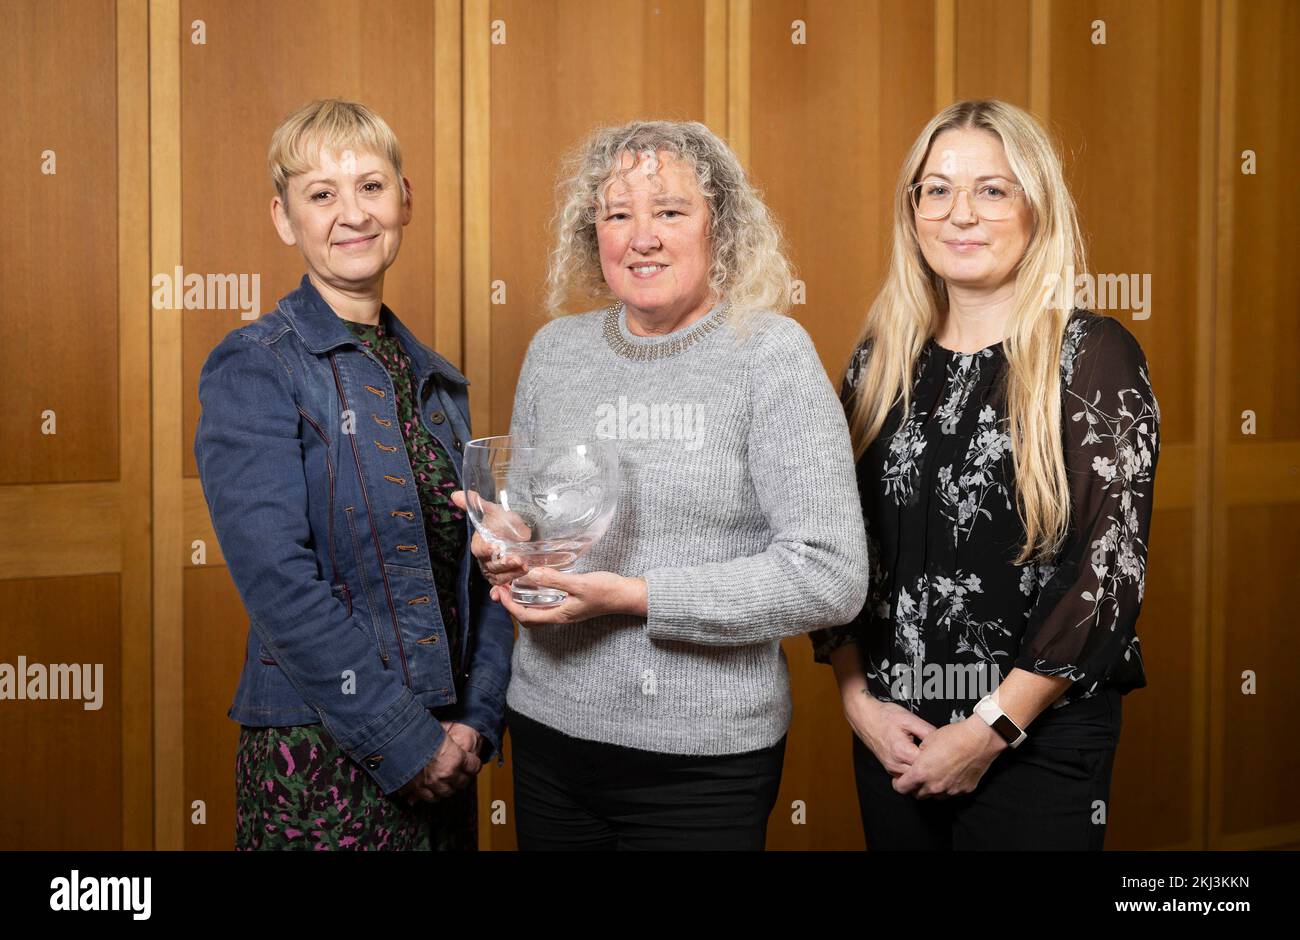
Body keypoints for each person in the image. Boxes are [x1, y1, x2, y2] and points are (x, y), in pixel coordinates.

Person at [453, 119, 868, 850]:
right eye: (618, 214)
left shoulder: (770, 356)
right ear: (596, 235)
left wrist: (636, 597)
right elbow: (537, 524)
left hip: (701, 766)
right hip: (549, 736)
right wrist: (508, 540)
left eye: (670, 211)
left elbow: (829, 575)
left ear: (719, 227)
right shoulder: (556, 352)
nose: (641, 236)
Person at [811, 98, 1160, 850]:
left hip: (1036, 747)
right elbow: (836, 548)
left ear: (1035, 209)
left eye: (992, 189)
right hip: (893, 739)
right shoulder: (877, 365)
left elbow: (1107, 574)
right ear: (912, 213)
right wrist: (859, 704)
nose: (959, 213)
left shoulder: (1092, 357)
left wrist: (990, 728)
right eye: (936, 189)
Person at [195, 98, 513, 850]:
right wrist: (405, 743)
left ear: (405, 200)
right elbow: (278, 582)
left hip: (449, 755)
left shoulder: (437, 379)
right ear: (284, 218)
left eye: (371, 186)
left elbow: (491, 568)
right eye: (322, 194)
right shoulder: (256, 365)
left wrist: (476, 723)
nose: (353, 214)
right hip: (321, 758)